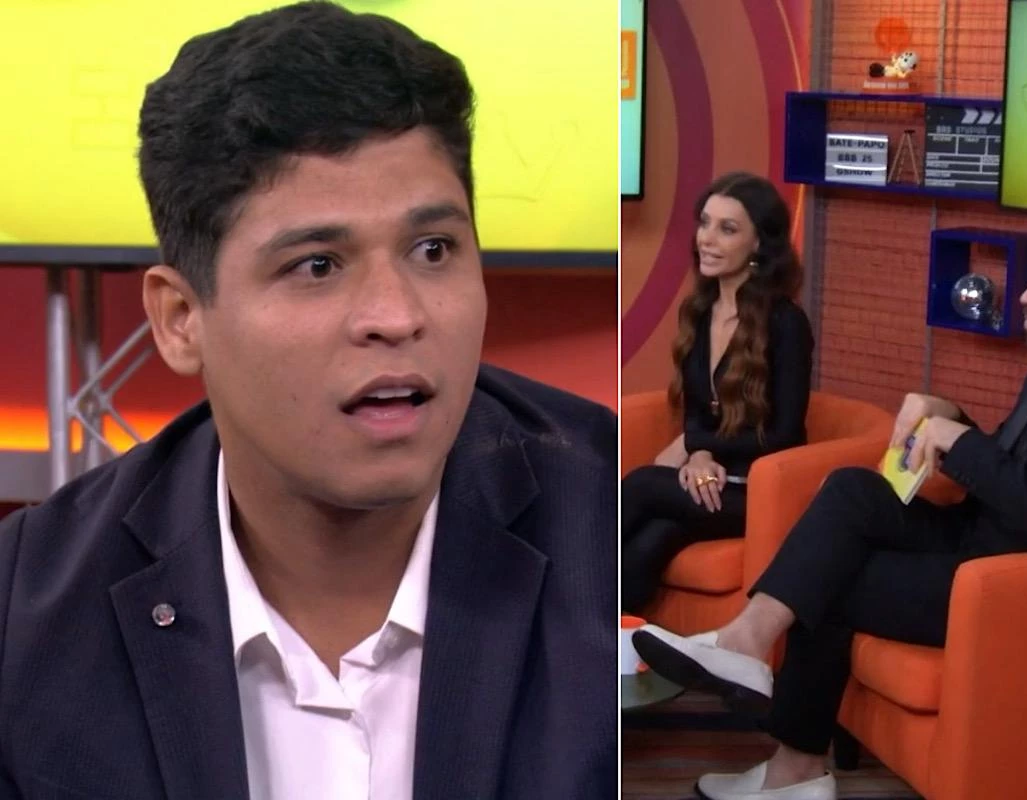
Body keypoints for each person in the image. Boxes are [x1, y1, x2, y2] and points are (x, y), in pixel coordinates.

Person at [0, 4, 615, 799]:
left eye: (433, 250)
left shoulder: (604, 529)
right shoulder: (26, 617)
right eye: (318, 265)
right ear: (181, 320)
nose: (397, 315)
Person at [633, 226, 1027, 800]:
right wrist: (949, 417)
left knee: (830, 579)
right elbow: (1010, 462)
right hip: (975, 537)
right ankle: (747, 642)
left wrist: (961, 444)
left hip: (1013, 586)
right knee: (851, 490)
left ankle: (794, 767)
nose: (1024, 294)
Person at [622, 172, 814, 613]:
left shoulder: (785, 323)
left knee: (644, 485)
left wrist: (693, 444)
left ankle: (570, 572)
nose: (706, 239)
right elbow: (699, 412)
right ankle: (609, 639)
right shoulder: (699, 311)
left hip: (757, 493)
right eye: (705, 223)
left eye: (727, 229)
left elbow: (784, 436)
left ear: (759, 244)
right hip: (711, 483)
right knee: (654, 539)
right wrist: (701, 457)